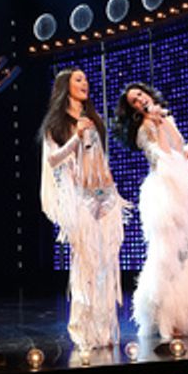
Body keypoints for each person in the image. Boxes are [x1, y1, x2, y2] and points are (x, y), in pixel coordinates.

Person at [114, 83, 188, 339]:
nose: (140, 100)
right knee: (170, 255)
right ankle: (167, 320)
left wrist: (185, 151)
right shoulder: (144, 129)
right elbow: (163, 156)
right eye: (134, 101)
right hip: (164, 193)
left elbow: (179, 146)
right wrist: (155, 124)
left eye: (140, 94)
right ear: (133, 110)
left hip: (183, 190)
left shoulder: (166, 119)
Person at [39, 68, 130, 351]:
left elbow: (99, 156)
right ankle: (83, 331)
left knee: (106, 265)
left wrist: (110, 184)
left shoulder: (94, 119)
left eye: (86, 80)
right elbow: (53, 160)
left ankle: (104, 331)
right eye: (78, 80)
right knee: (86, 265)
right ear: (65, 86)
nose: (85, 83)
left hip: (106, 195)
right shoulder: (56, 124)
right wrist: (76, 137)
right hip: (80, 198)